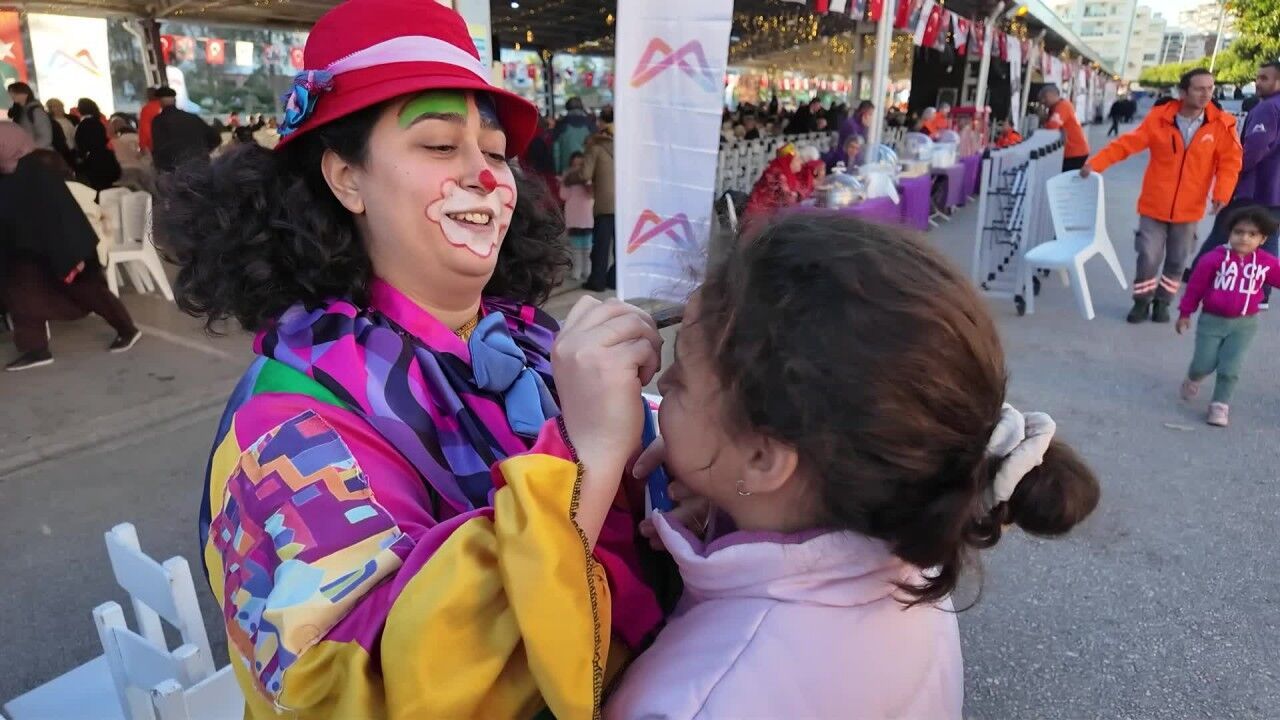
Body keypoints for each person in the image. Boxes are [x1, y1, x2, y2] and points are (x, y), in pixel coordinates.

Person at [156, 2, 666, 715]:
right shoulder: (283, 427)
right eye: (439, 145)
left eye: (495, 152)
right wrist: (582, 460)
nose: (485, 176)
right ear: (347, 179)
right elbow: (359, 688)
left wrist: (682, 479)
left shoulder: (527, 338)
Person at [605, 211, 1099, 719]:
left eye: (683, 374)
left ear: (763, 457)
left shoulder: (695, 703)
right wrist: (727, 496)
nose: (662, 384)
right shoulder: (905, 519)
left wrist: (590, 476)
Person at [1082, 68, 1242, 324]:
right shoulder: (1160, 118)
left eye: (1210, 88)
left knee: (1177, 260)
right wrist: (1096, 164)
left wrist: (1222, 193)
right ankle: (1141, 301)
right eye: (1199, 89)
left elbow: (1230, 163)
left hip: (1189, 209)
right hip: (1154, 205)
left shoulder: (1222, 125)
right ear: (1183, 92)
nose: (1206, 94)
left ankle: (1163, 302)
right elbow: (1126, 145)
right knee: (1148, 256)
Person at [0, 128, 140, 371]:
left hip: (62, 246)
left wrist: (72, 254)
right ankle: (35, 349)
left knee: (88, 291)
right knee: (22, 295)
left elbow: (61, 214)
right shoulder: (8, 173)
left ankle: (127, 329)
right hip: (26, 250)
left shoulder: (36, 170)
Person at [1177, 207, 1280, 427]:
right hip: (1211, 322)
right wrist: (1185, 313)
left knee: (1231, 367)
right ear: (1229, 233)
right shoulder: (1213, 260)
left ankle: (1220, 405)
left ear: (1263, 239)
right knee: (1203, 363)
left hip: (1245, 325)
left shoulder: (1266, 263)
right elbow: (1195, 288)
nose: (1244, 238)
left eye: (1252, 234)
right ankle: (1194, 376)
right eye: (1238, 232)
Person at [1188, 61, 1280, 308]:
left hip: (1256, 188)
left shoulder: (1267, 108)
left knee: (1224, 228)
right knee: (1268, 238)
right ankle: (1261, 293)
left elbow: (1255, 148)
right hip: (1275, 191)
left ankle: (1198, 274)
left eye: (1265, 78)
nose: (1258, 82)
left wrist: (1233, 171)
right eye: (1258, 77)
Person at [581, 108, 615, 291]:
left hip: (604, 203)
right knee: (620, 247)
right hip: (624, 204)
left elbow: (585, 174)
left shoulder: (595, 147)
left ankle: (597, 281)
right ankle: (615, 279)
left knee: (601, 245)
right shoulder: (626, 146)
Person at [150, 87, 221, 173]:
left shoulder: (159, 121)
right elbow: (216, 138)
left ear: (160, 102)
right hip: (201, 167)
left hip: (176, 171)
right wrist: (203, 152)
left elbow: (159, 148)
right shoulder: (193, 118)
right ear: (175, 100)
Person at [72, 98, 122, 190]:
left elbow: (82, 144)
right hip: (104, 158)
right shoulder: (98, 122)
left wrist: (80, 157)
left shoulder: (83, 124)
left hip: (93, 161)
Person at [559, 150, 594, 281]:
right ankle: (582, 270)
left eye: (579, 165)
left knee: (582, 246)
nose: (577, 168)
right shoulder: (572, 177)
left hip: (581, 214)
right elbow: (564, 195)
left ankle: (582, 270)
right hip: (579, 215)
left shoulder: (582, 177)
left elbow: (564, 195)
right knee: (581, 246)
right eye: (575, 165)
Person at [745, 144, 804, 219]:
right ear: (788, 161)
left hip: (771, 216)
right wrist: (798, 196)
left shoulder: (789, 175)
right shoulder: (777, 174)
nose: (801, 162)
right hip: (760, 217)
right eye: (797, 160)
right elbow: (788, 198)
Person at [1040, 84, 1089, 172]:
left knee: (1066, 177)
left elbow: (1052, 127)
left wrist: (1043, 124)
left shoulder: (1062, 106)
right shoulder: (1056, 107)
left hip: (1074, 152)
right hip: (1072, 151)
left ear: (1053, 94)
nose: (1043, 101)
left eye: (1044, 97)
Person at [552, 95, 596, 173]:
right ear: (581, 107)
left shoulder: (560, 125)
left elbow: (556, 150)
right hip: (587, 170)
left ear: (567, 108)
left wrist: (557, 170)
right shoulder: (591, 125)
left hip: (566, 170)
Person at [7, 82, 53, 150]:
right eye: (10, 93)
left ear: (25, 93)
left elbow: (46, 137)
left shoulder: (35, 111)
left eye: (14, 92)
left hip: (37, 152)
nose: (11, 95)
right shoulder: (20, 111)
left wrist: (29, 149)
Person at [138, 87, 162, 153]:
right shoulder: (164, 106)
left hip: (152, 146)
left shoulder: (146, 109)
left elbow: (145, 129)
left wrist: (142, 146)